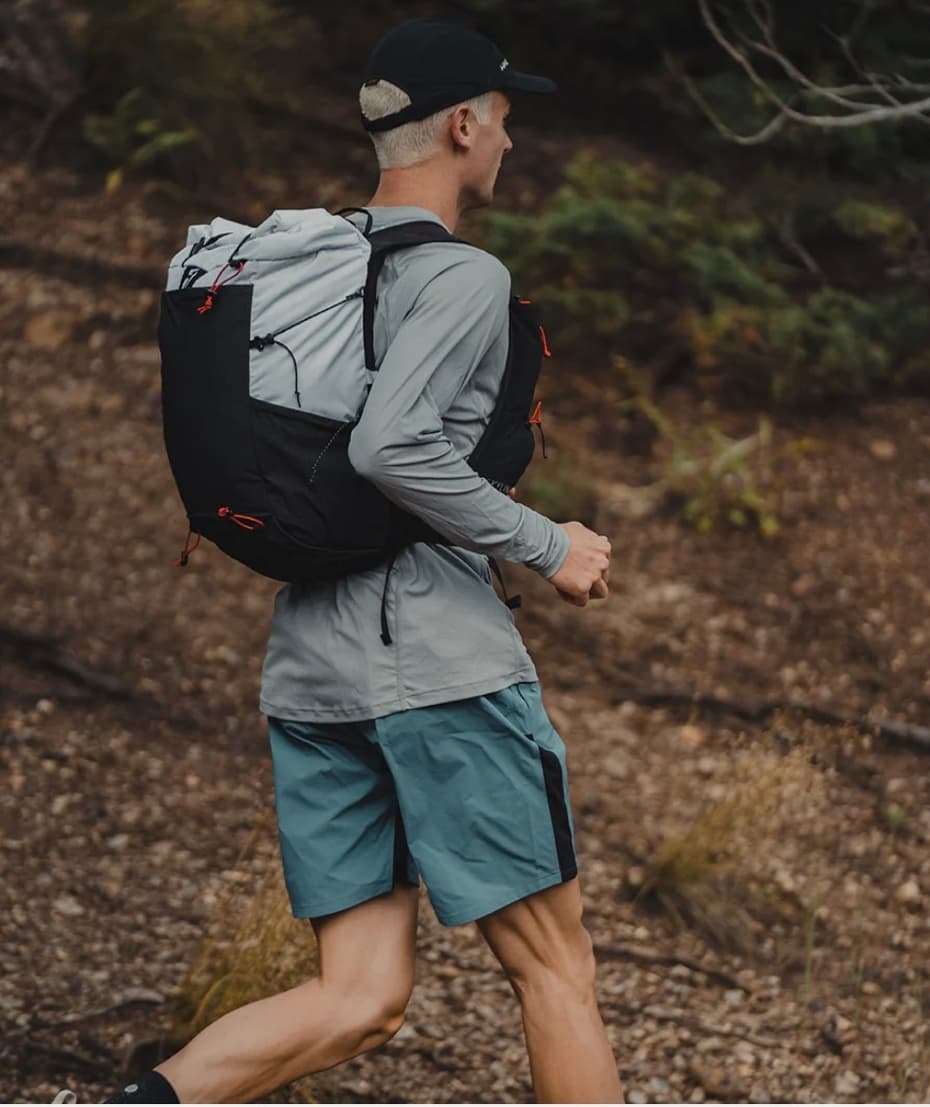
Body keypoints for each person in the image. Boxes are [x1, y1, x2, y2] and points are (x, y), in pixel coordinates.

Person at [55, 16, 622, 1107]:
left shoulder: (317, 274)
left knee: (359, 996)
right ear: (463, 124)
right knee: (559, 973)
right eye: (504, 122)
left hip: (314, 669)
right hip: (441, 671)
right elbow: (392, 447)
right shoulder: (459, 277)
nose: (510, 144)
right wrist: (548, 545)